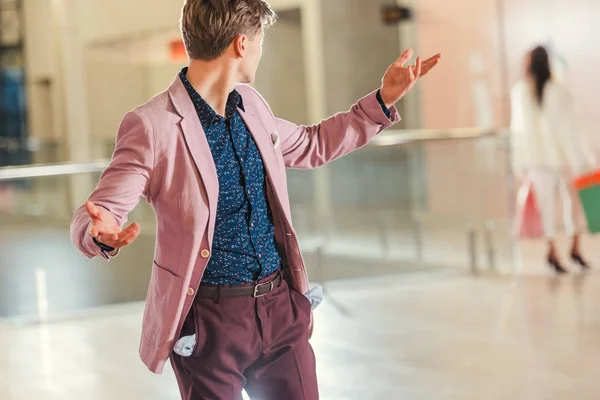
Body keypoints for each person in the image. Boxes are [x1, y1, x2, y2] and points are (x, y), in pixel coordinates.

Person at [70, 0, 441, 398]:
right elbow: (101, 209)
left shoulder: (253, 107)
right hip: (210, 326)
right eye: (261, 38)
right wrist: (98, 232)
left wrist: (382, 101)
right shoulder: (152, 124)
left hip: (279, 308)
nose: (261, 49)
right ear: (242, 44)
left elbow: (313, 143)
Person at [510, 45, 596, 274]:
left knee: (546, 206)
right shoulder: (556, 90)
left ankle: (553, 251)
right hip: (563, 158)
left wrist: (519, 164)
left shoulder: (520, 92)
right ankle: (574, 247)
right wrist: (583, 159)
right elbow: (571, 129)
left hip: (537, 160)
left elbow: (517, 132)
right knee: (573, 204)